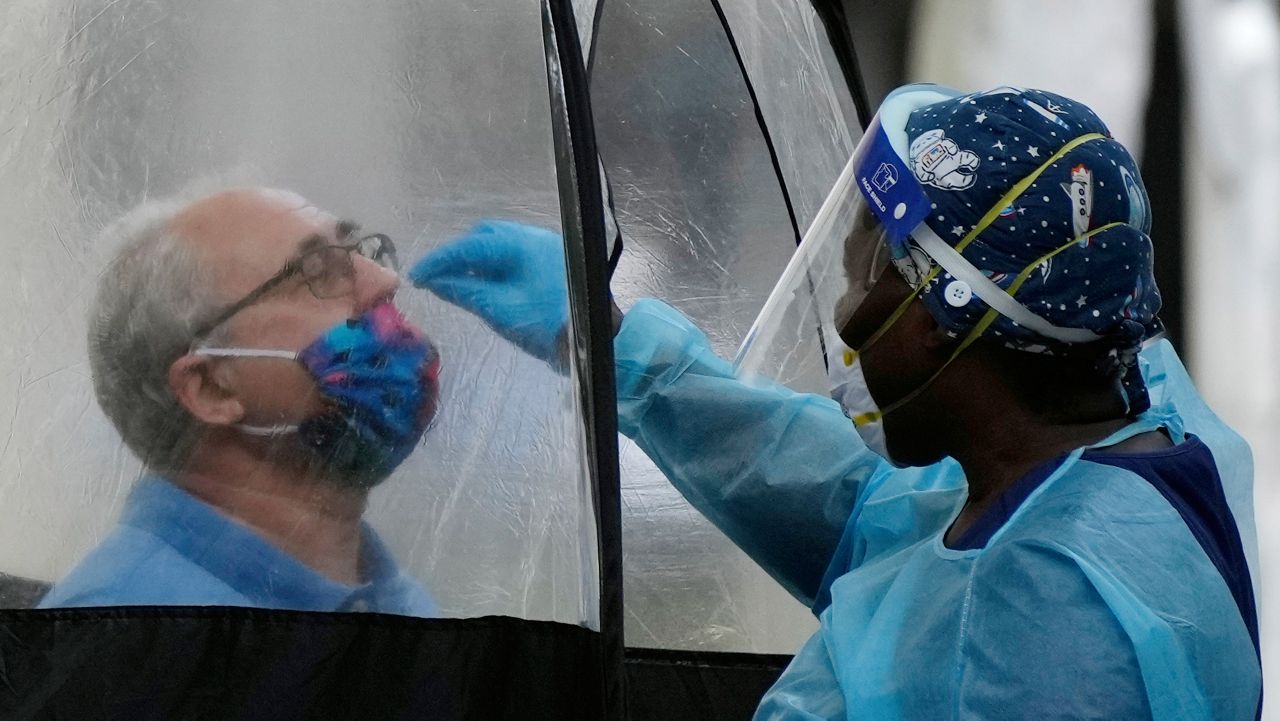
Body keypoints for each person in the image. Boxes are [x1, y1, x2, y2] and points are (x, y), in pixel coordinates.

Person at [411, 85, 1261, 718]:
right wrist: (622, 347)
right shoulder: (1097, 453)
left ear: (939, 321)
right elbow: (867, 512)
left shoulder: (1045, 635)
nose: (848, 313)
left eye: (863, 275)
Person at [41, 188, 441, 616]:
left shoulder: (395, 602)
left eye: (360, 252)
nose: (385, 280)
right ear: (211, 387)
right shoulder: (124, 636)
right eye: (319, 271)